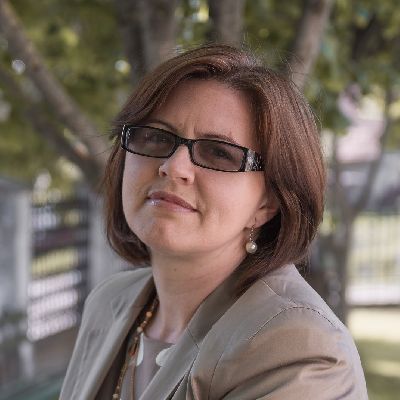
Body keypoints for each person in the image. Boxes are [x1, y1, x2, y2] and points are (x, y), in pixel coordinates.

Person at [60, 44, 368, 400]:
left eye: (219, 153)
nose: (174, 167)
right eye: (156, 137)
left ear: (268, 202)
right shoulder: (109, 303)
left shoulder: (299, 349)